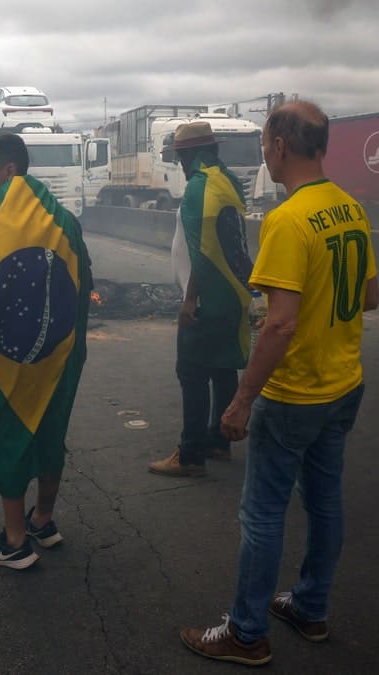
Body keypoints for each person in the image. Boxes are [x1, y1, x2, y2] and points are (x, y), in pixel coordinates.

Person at [179, 101, 379, 665]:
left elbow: (282, 323)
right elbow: (368, 297)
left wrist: (243, 399)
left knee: (262, 514)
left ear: (281, 146)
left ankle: (246, 632)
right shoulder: (350, 208)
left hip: (295, 393)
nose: (264, 152)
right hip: (344, 383)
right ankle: (310, 609)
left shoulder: (288, 220)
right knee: (324, 502)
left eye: (266, 141)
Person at [0, 133, 92, 570]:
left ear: (9, 171)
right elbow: (82, 284)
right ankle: (43, 520)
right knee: (50, 432)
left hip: (8, 359)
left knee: (7, 437)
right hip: (59, 353)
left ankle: (15, 542)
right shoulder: (64, 219)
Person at [148, 121, 253, 478]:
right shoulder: (227, 182)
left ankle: (190, 454)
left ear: (188, 155)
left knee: (191, 372)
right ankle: (217, 441)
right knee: (223, 369)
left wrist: (189, 299)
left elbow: (203, 253)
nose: (178, 163)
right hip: (231, 295)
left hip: (209, 295)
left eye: (179, 156)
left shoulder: (199, 188)